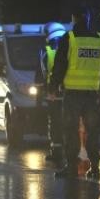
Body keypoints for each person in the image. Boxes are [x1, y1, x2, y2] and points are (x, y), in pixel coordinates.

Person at [48, 6, 100, 179]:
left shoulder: (70, 38)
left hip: (73, 94)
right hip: (92, 95)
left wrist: (53, 87)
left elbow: (60, 65)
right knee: (93, 131)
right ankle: (95, 168)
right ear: (88, 19)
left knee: (71, 130)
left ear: (74, 19)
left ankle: (72, 167)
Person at [36, 22, 66, 165]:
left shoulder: (46, 50)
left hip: (53, 93)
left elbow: (42, 72)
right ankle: (70, 151)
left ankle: (57, 152)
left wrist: (42, 92)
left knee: (55, 123)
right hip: (70, 92)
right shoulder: (70, 47)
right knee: (70, 123)